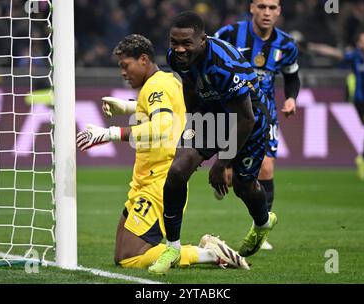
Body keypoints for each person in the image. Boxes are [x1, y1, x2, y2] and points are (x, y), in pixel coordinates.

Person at [76, 34, 249, 270]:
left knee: (130, 257)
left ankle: (209, 254)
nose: (123, 73)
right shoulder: (168, 80)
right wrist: (129, 106)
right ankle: (202, 252)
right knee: (122, 253)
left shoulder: (155, 86)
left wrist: (110, 133)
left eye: (125, 66)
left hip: (158, 181)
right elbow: (173, 113)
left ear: (143, 59)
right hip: (146, 180)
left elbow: (162, 126)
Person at [148, 11, 277, 275]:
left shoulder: (224, 64)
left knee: (243, 186)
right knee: (176, 172)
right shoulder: (175, 57)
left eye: (186, 43)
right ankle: (172, 248)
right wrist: (192, 127)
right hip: (210, 115)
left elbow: (245, 119)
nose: (179, 49)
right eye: (174, 42)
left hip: (247, 119)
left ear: (202, 40)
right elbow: (189, 85)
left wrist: (222, 164)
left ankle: (263, 223)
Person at [215, 0, 300, 250]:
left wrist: (291, 97)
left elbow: (291, 77)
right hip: (230, 112)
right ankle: (226, 169)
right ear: (252, 7)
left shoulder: (286, 45)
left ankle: (260, 229)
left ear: (279, 11)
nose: (266, 12)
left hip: (265, 115)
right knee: (232, 179)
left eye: (272, 8)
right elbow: (210, 60)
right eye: (261, 6)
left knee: (266, 168)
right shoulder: (229, 33)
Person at [309, 28, 364, 181]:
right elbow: (334, 53)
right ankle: (362, 158)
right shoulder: (355, 57)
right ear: (359, 44)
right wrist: (314, 47)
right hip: (362, 101)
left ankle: (362, 158)